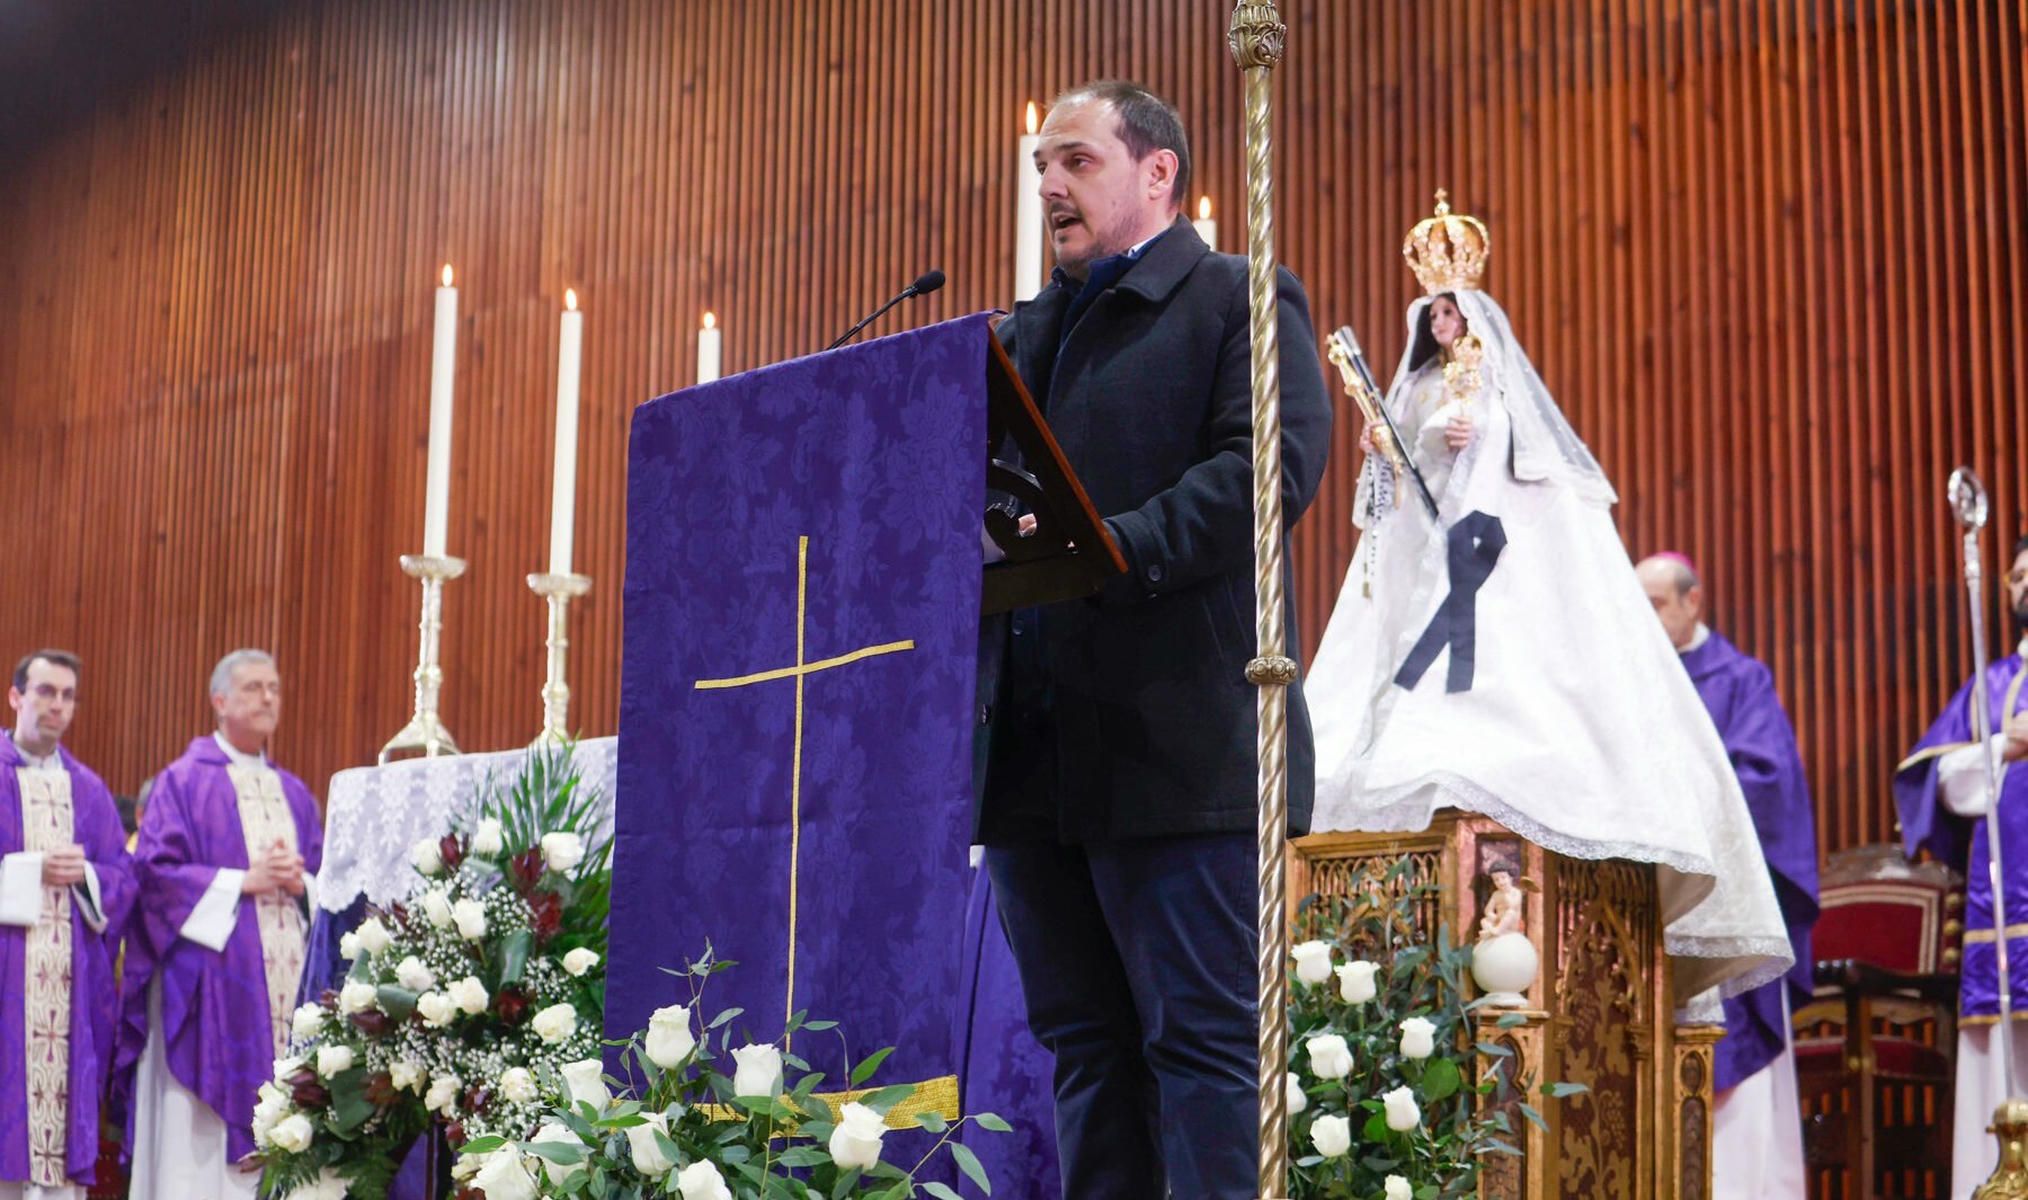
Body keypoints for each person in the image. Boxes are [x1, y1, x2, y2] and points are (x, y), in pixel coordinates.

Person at [976, 80, 1331, 1198]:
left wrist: (1109, 548)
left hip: (1183, 746)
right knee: (1087, 1057)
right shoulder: (1014, 335)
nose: (1048, 187)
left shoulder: (1238, 298)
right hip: (1038, 759)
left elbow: (1264, 471)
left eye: (1076, 161)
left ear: (1158, 172)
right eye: (1041, 166)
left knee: (1205, 1057)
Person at [1304, 192, 1790, 1006]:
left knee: (1508, 715)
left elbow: (1511, 465)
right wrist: (1384, 447)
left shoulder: (1492, 387)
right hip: (1418, 571)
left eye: (1451, 315)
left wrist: (1467, 440)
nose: (1441, 329)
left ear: (1472, 318)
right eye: (1432, 317)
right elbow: (1382, 500)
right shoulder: (1419, 386)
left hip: (1486, 564)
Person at [1637, 552, 1818, 1197]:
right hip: (1650, 903)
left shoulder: (1739, 680)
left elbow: (1765, 784)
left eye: (1656, 604)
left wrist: (1680, 807)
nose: (1645, 619)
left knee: (1733, 1092)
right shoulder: (1633, 684)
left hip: (1723, 899)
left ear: (1694, 604)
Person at [114, 649, 322, 1200]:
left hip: (286, 992)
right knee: (199, 1147)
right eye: (253, 687)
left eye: (274, 687)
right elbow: (152, 879)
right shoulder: (183, 783)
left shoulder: (296, 795)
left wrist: (304, 886)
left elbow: (330, 886)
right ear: (220, 700)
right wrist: (242, 881)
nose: (267, 698)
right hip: (211, 996)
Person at [1893, 533, 2028, 1196]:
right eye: (2016, 575)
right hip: (2005, 912)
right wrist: (2005, 746)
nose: (2023, 583)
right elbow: (1939, 779)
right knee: (2001, 1061)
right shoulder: (1991, 684)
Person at [0, 650, 134, 1200]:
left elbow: (124, 880)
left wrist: (88, 878)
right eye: (45, 691)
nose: (57, 705)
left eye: (67, 695)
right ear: (15, 697)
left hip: (68, 996)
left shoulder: (91, 791)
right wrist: (28, 871)